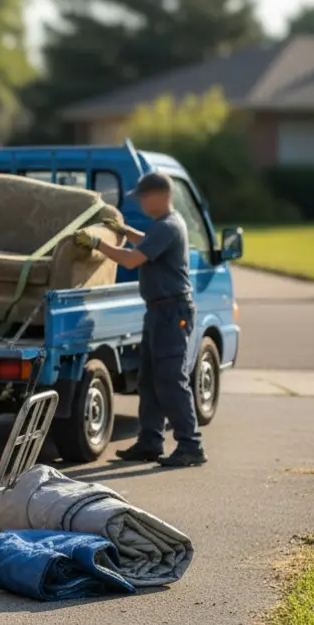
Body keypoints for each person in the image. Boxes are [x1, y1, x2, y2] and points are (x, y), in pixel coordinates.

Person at [74, 172, 206, 467]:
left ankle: (190, 445)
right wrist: (124, 229)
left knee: (171, 379)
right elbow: (146, 243)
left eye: (144, 197)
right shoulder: (163, 226)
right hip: (161, 312)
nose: (142, 203)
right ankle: (150, 441)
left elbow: (132, 259)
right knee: (148, 379)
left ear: (161, 195)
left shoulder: (169, 226)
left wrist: (98, 244)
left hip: (173, 314)